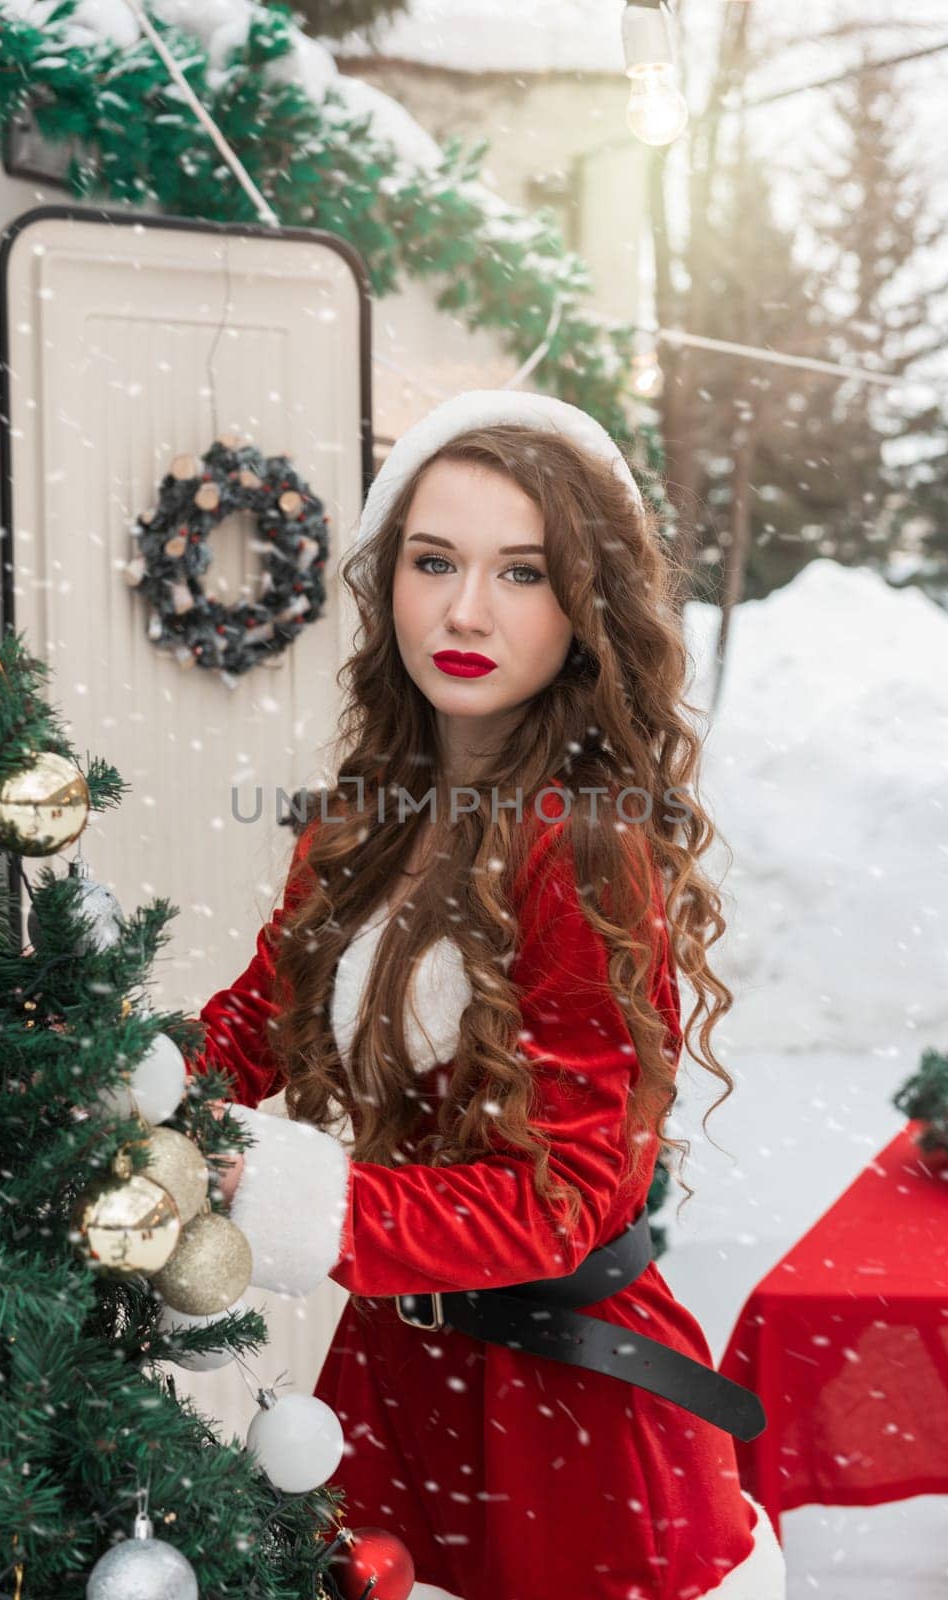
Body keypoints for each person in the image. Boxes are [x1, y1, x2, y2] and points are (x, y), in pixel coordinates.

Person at [185, 390, 786, 1599]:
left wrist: (307, 1203)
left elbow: (566, 1195)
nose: (465, 610)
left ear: (584, 607)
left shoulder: (585, 844)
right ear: (385, 580)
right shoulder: (361, 821)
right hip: (393, 1391)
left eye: (522, 572)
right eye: (434, 561)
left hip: (559, 1427)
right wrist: (126, 1084)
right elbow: (257, 1021)